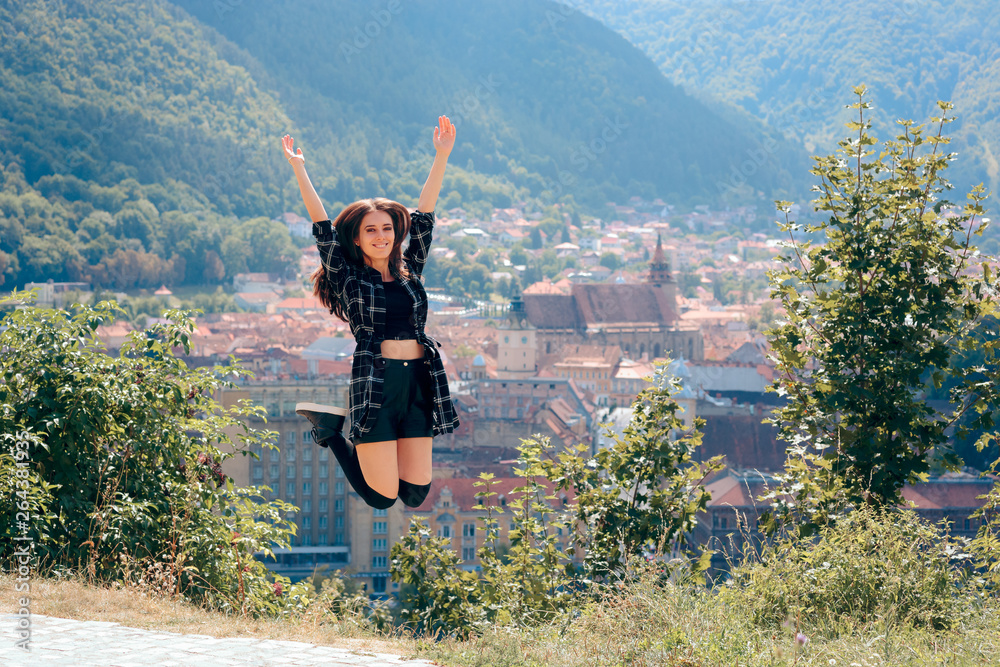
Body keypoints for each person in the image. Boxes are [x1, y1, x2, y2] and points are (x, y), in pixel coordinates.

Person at [281, 116, 459, 510]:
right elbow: (322, 226)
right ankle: (330, 433)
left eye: (387, 229)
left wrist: (441, 156)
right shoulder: (348, 277)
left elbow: (425, 217)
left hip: (419, 384)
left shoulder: (410, 268)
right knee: (380, 497)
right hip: (376, 383)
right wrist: (300, 168)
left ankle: (335, 431)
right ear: (357, 238)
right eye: (371, 231)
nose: (381, 236)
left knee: (414, 495)